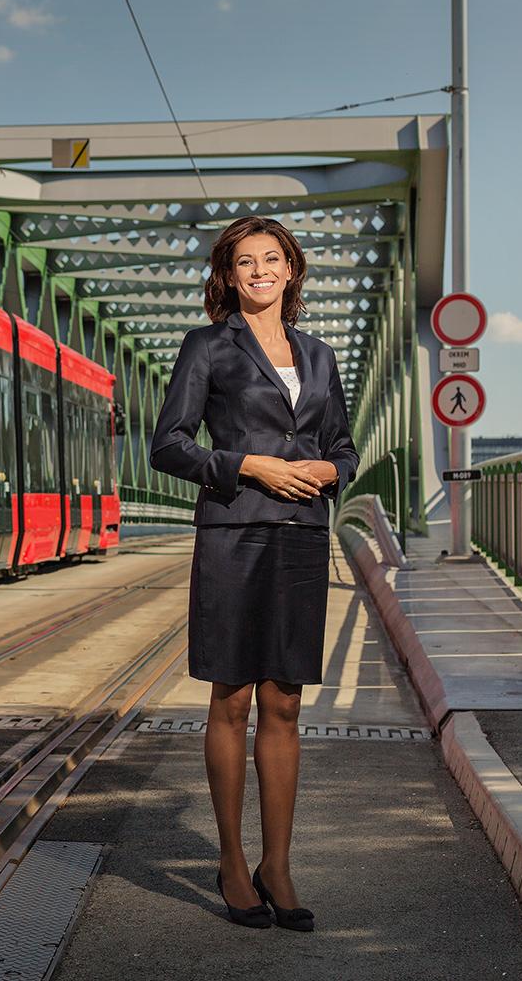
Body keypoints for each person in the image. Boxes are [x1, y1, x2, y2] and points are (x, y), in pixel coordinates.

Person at [150, 216, 357, 931]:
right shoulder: (208, 346)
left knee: (287, 704)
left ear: (293, 270)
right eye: (247, 261)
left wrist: (332, 469)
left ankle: (279, 864)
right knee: (231, 701)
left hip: (301, 539)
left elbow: (345, 448)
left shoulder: (321, 356)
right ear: (229, 275)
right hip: (233, 534)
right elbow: (168, 445)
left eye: (273, 259)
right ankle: (234, 863)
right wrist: (247, 465)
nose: (261, 270)